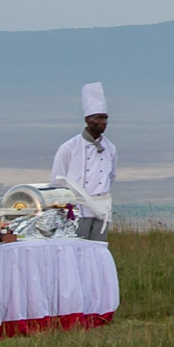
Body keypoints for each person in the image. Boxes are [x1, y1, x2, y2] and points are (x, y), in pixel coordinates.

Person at [51, 82, 117, 242]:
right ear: (88, 120)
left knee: (99, 249)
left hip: (101, 209)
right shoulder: (69, 148)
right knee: (76, 249)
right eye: (99, 118)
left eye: (105, 118)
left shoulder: (110, 148)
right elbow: (57, 181)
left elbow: (111, 176)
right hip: (77, 210)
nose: (103, 122)